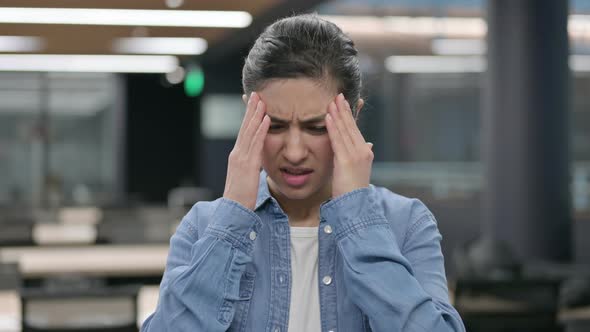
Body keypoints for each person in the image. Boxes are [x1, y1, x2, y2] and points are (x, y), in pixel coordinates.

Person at [141, 13, 465, 332]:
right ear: (249, 117)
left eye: (317, 127)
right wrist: (234, 215)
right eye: (275, 125)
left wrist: (356, 214)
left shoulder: (405, 223)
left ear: (354, 117)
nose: (294, 152)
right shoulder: (203, 226)